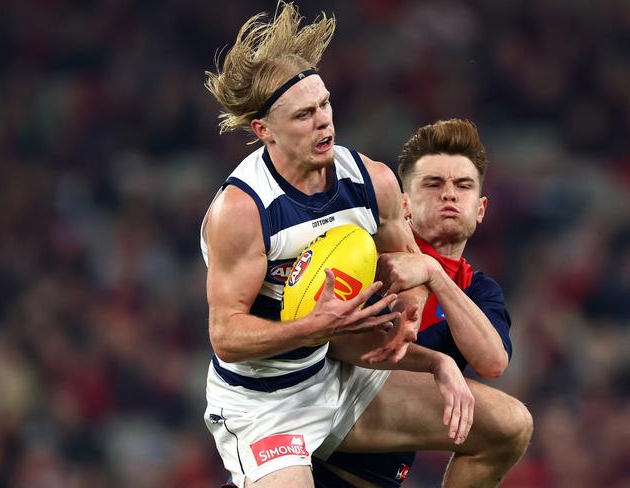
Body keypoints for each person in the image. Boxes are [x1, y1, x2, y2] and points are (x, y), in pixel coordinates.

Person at [201, 3, 475, 487]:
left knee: (509, 428)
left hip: (337, 373)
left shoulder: (372, 181)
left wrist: (408, 314)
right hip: (267, 403)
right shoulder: (242, 211)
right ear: (264, 131)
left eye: (325, 104)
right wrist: (313, 326)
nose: (324, 122)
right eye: (305, 115)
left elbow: (407, 265)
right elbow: (227, 336)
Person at [311, 119, 532, 487]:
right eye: (433, 184)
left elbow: (493, 362)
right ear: (404, 205)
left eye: (463, 186)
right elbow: (327, 337)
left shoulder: (478, 290)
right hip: (317, 438)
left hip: (372, 476)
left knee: (508, 431)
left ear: (480, 208)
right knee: (510, 425)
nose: (449, 195)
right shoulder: (369, 250)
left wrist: (434, 274)